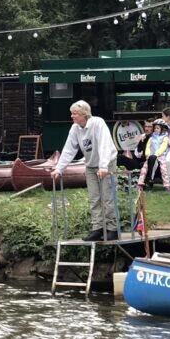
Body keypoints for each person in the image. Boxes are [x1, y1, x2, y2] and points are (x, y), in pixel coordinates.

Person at [51, 100, 119, 242]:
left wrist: (103, 166)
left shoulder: (98, 123)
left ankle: (112, 229)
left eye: (74, 113)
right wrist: (59, 169)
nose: (72, 116)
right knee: (94, 198)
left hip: (107, 162)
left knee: (108, 197)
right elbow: (69, 149)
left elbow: (104, 145)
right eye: (72, 113)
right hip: (90, 165)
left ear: (84, 114)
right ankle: (97, 228)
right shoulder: (75, 128)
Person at [140, 119, 170, 192]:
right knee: (144, 169)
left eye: (158, 128)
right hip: (151, 156)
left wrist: (156, 154)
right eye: (155, 128)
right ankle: (140, 184)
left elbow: (163, 147)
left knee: (164, 170)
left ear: (162, 129)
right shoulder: (152, 138)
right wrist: (148, 154)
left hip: (161, 156)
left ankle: (166, 185)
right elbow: (148, 147)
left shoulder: (165, 138)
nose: (155, 129)